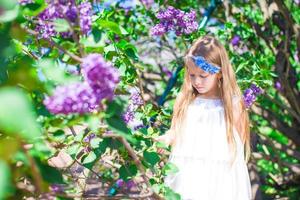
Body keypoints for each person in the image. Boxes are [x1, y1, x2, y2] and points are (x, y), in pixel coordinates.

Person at [154, 35, 252, 200]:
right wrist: (164, 139)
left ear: (219, 73)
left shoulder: (231, 104)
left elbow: (240, 140)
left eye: (203, 76)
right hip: (188, 173)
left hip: (221, 177)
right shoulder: (186, 101)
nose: (197, 81)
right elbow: (174, 132)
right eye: (192, 75)